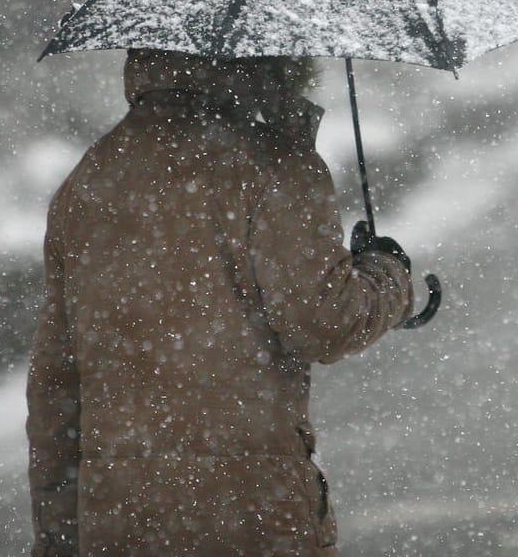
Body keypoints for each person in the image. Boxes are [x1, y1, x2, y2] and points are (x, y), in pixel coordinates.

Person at [27, 48, 415, 557]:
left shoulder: (88, 182)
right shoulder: (274, 167)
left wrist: (57, 537)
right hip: (251, 511)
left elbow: (56, 387)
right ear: (270, 57)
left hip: (118, 515)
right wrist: (389, 276)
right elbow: (325, 322)